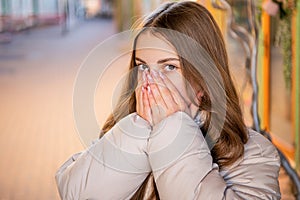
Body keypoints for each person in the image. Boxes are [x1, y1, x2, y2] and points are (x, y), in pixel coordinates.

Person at [56, 1, 281, 199]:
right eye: (143, 66)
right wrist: (138, 129)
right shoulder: (124, 130)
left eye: (169, 66)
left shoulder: (253, 153)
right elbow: (77, 193)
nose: (150, 80)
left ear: (203, 78)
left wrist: (173, 128)